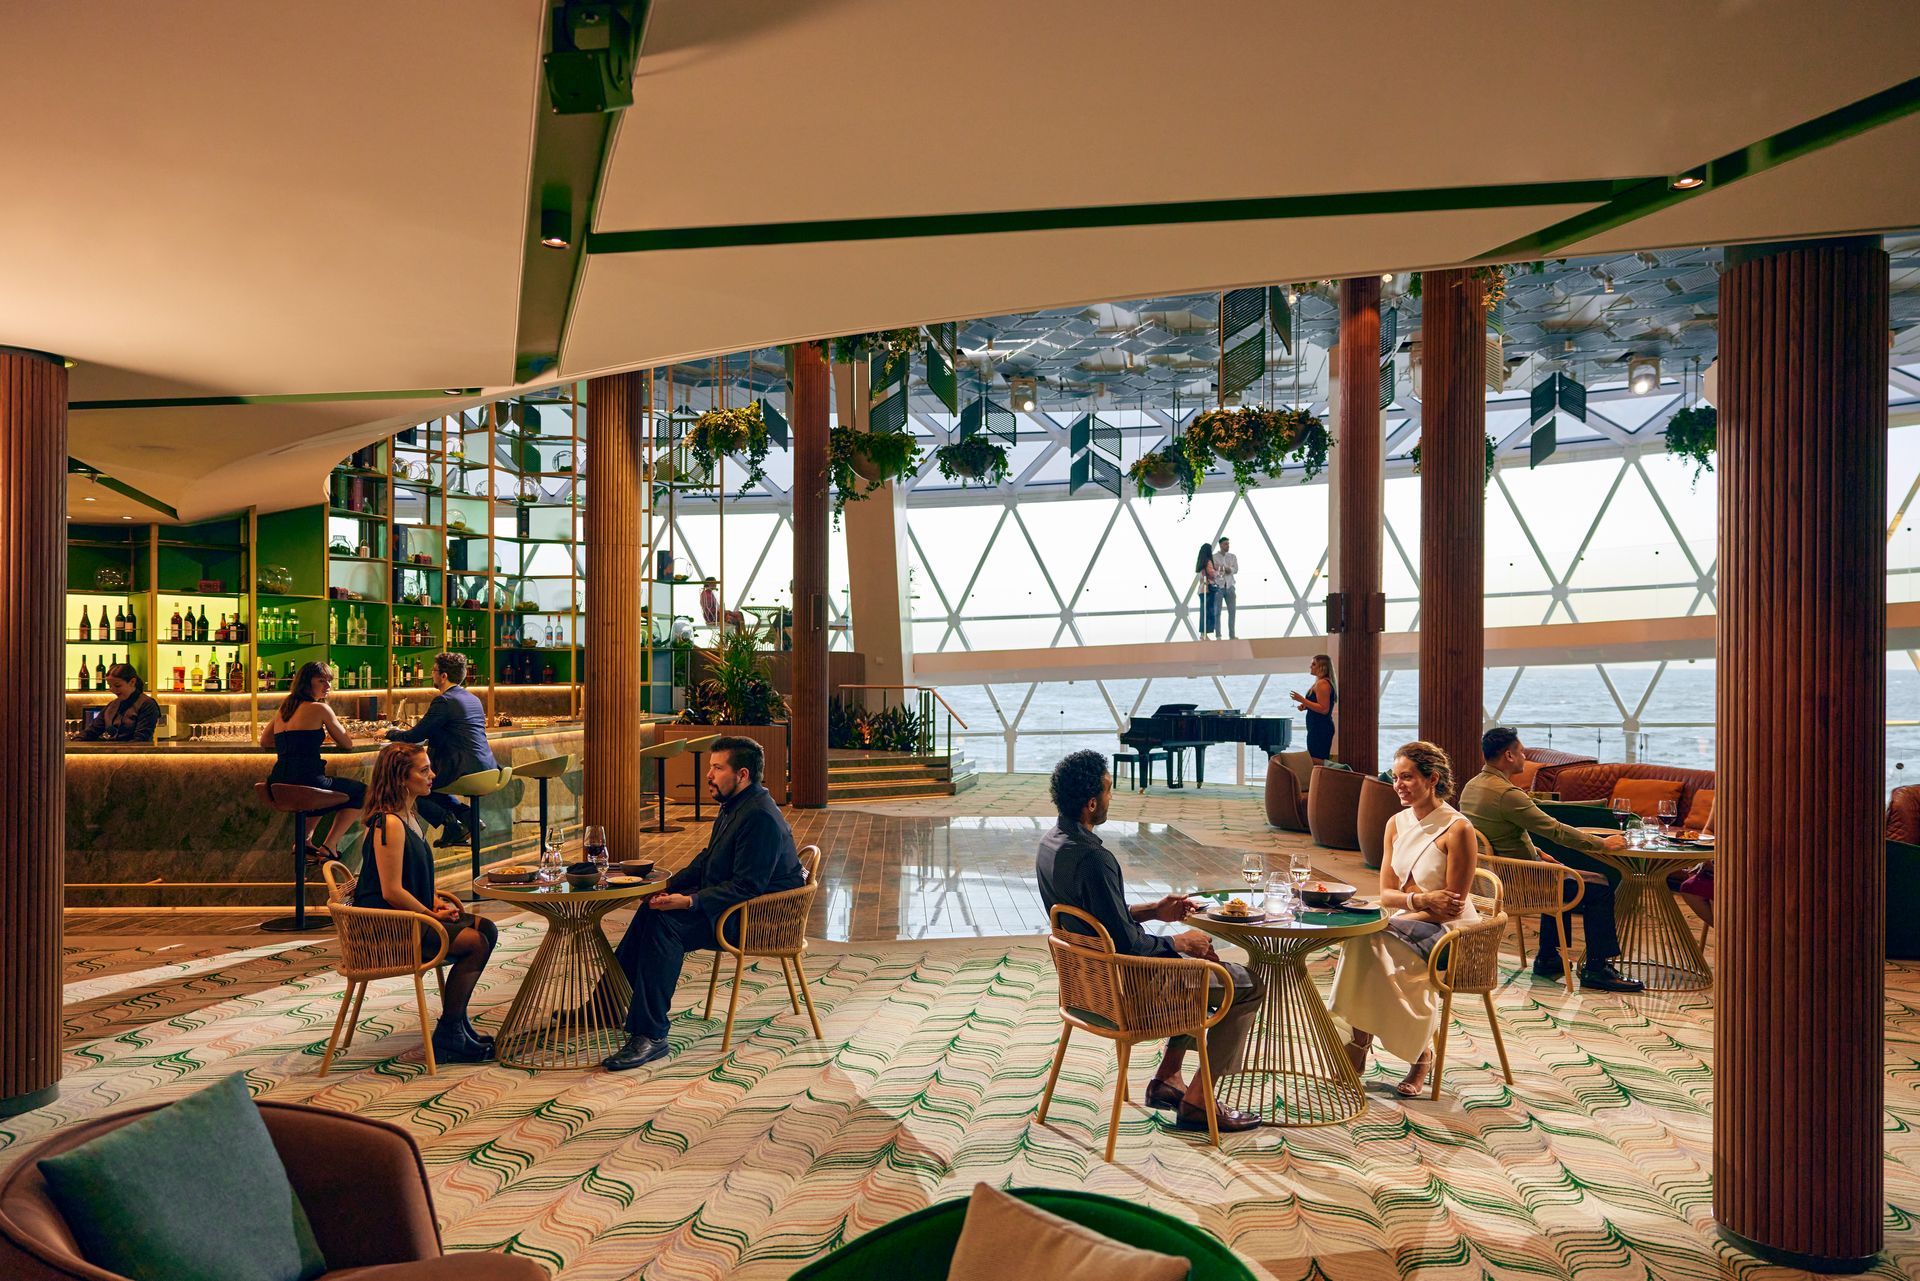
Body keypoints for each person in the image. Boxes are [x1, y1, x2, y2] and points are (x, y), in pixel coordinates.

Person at [1036, 749, 1262, 1133]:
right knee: (1244, 983)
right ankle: (1199, 1099)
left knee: (1203, 966)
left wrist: (1155, 911)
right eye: (1108, 792)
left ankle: (1167, 1079)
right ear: (1092, 803)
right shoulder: (1094, 858)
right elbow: (1125, 946)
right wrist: (1179, 942)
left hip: (1090, 988)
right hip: (1129, 991)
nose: (1111, 798)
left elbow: (1100, 920)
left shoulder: (1051, 845)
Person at [602, 736, 804, 1072]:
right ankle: (608, 1004)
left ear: (742, 774)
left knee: (665, 925)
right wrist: (663, 888)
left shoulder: (759, 817)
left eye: (717, 767)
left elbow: (747, 886)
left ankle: (651, 1035)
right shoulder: (735, 806)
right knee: (653, 908)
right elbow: (706, 861)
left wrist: (691, 901)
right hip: (734, 907)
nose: (708, 774)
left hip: (757, 919)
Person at [1331, 741, 1478, 1097]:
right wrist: (1420, 899)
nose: (1398, 785)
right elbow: (1386, 894)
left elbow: (1452, 908)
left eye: (1407, 777)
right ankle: (1380, 1045)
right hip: (1406, 918)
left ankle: (1397, 1052)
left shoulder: (1458, 829)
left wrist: (1407, 908)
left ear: (1432, 779)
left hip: (1449, 932)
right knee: (1362, 940)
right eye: (1395, 777)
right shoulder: (1395, 823)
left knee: (1372, 941)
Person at [1459, 727, 1644, 993]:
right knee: (1600, 886)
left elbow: (1498, 835)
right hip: (1521, 884)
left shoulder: (1472, 786)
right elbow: (1555, 830)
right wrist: (1602, 843)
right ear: (1509, 756)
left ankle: (1548, 956)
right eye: (1522, 752)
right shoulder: (1506, 794)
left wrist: (1536, 853)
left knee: (1558, 873)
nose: (1525, 756)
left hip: (1493, 880)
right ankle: (1596, 967)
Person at [354, 741, 497, 1064]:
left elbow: (410, 879)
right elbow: (391, 891)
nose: (432, 775)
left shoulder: (410, 814)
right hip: (390, 926)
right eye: (424, 770)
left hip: (411, 916)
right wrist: (430, 914)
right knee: (475, 942)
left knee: (487, 929)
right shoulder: (388, 823)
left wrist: (434, 901)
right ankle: (450, 1031)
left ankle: (456, 1025)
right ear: (401, 778)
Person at [384, 651, 498, 846]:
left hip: (460, 767)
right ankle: (468, 818)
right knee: (431, 787)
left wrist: (389, 732)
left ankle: (452, 824)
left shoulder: (444, 701)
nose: (431, 674)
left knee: (407, 787)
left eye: (434, 670)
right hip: (487, 767)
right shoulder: (473, 699)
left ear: (444, 676)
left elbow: (415, 736)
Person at [259, 661, 365, 862]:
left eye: (329, 681)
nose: (328, 686)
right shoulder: (320, 709)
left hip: (277, 781)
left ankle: (304, 842)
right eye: (322, 681)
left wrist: (293, 738)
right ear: (306, 683)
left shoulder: (285, 708)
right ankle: (330, 846)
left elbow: (265, 740)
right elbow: (347, 743)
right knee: (364, 792)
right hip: (308, 781)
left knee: (317, 791)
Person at [76, 662, 161, 744]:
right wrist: (74, 742)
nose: (112, 689)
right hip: (114, 755)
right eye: (110, 686)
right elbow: (92, 731)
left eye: (117, 686)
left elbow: (141, 740)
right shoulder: (112, 705)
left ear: (132, 682)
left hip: (137, 756)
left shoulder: (147, 704)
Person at [1289, 655, 1337, 765]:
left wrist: (1302, 699)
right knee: (1314, 758)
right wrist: (1305, 706)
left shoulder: (1323, 684)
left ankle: (1322, 780)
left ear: (1323, 667)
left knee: (1316, 760)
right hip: (1316, 727)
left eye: (1314, 664)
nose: (1311, 666)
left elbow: (1324, 709)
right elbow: (1318, 704)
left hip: (1320, 728)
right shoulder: (1320, 682)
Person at [1211, 537, 1240, 639]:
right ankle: (1218, 635)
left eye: (1228, 544)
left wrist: (1227, 569)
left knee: (1232, 612)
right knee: (1217, 612)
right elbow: (1215, 569)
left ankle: (1232, 635)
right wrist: (1225, 569)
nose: (1227, 546)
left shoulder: (1232, 556)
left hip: (1230, 586)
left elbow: (1235, 569)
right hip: (1219, 587)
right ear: (1220, 545)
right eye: (1225, 544)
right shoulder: (1214, 557)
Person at [1194, 543, 1219, 639]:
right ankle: (1205, 634)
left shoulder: (1200, 562)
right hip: (1208, 590)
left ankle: (1203, 634)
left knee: (1203, 612)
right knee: (1208, 612)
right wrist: (1219, 572)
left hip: (1201, 590)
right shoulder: (1208, 562)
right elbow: (1212, 574)